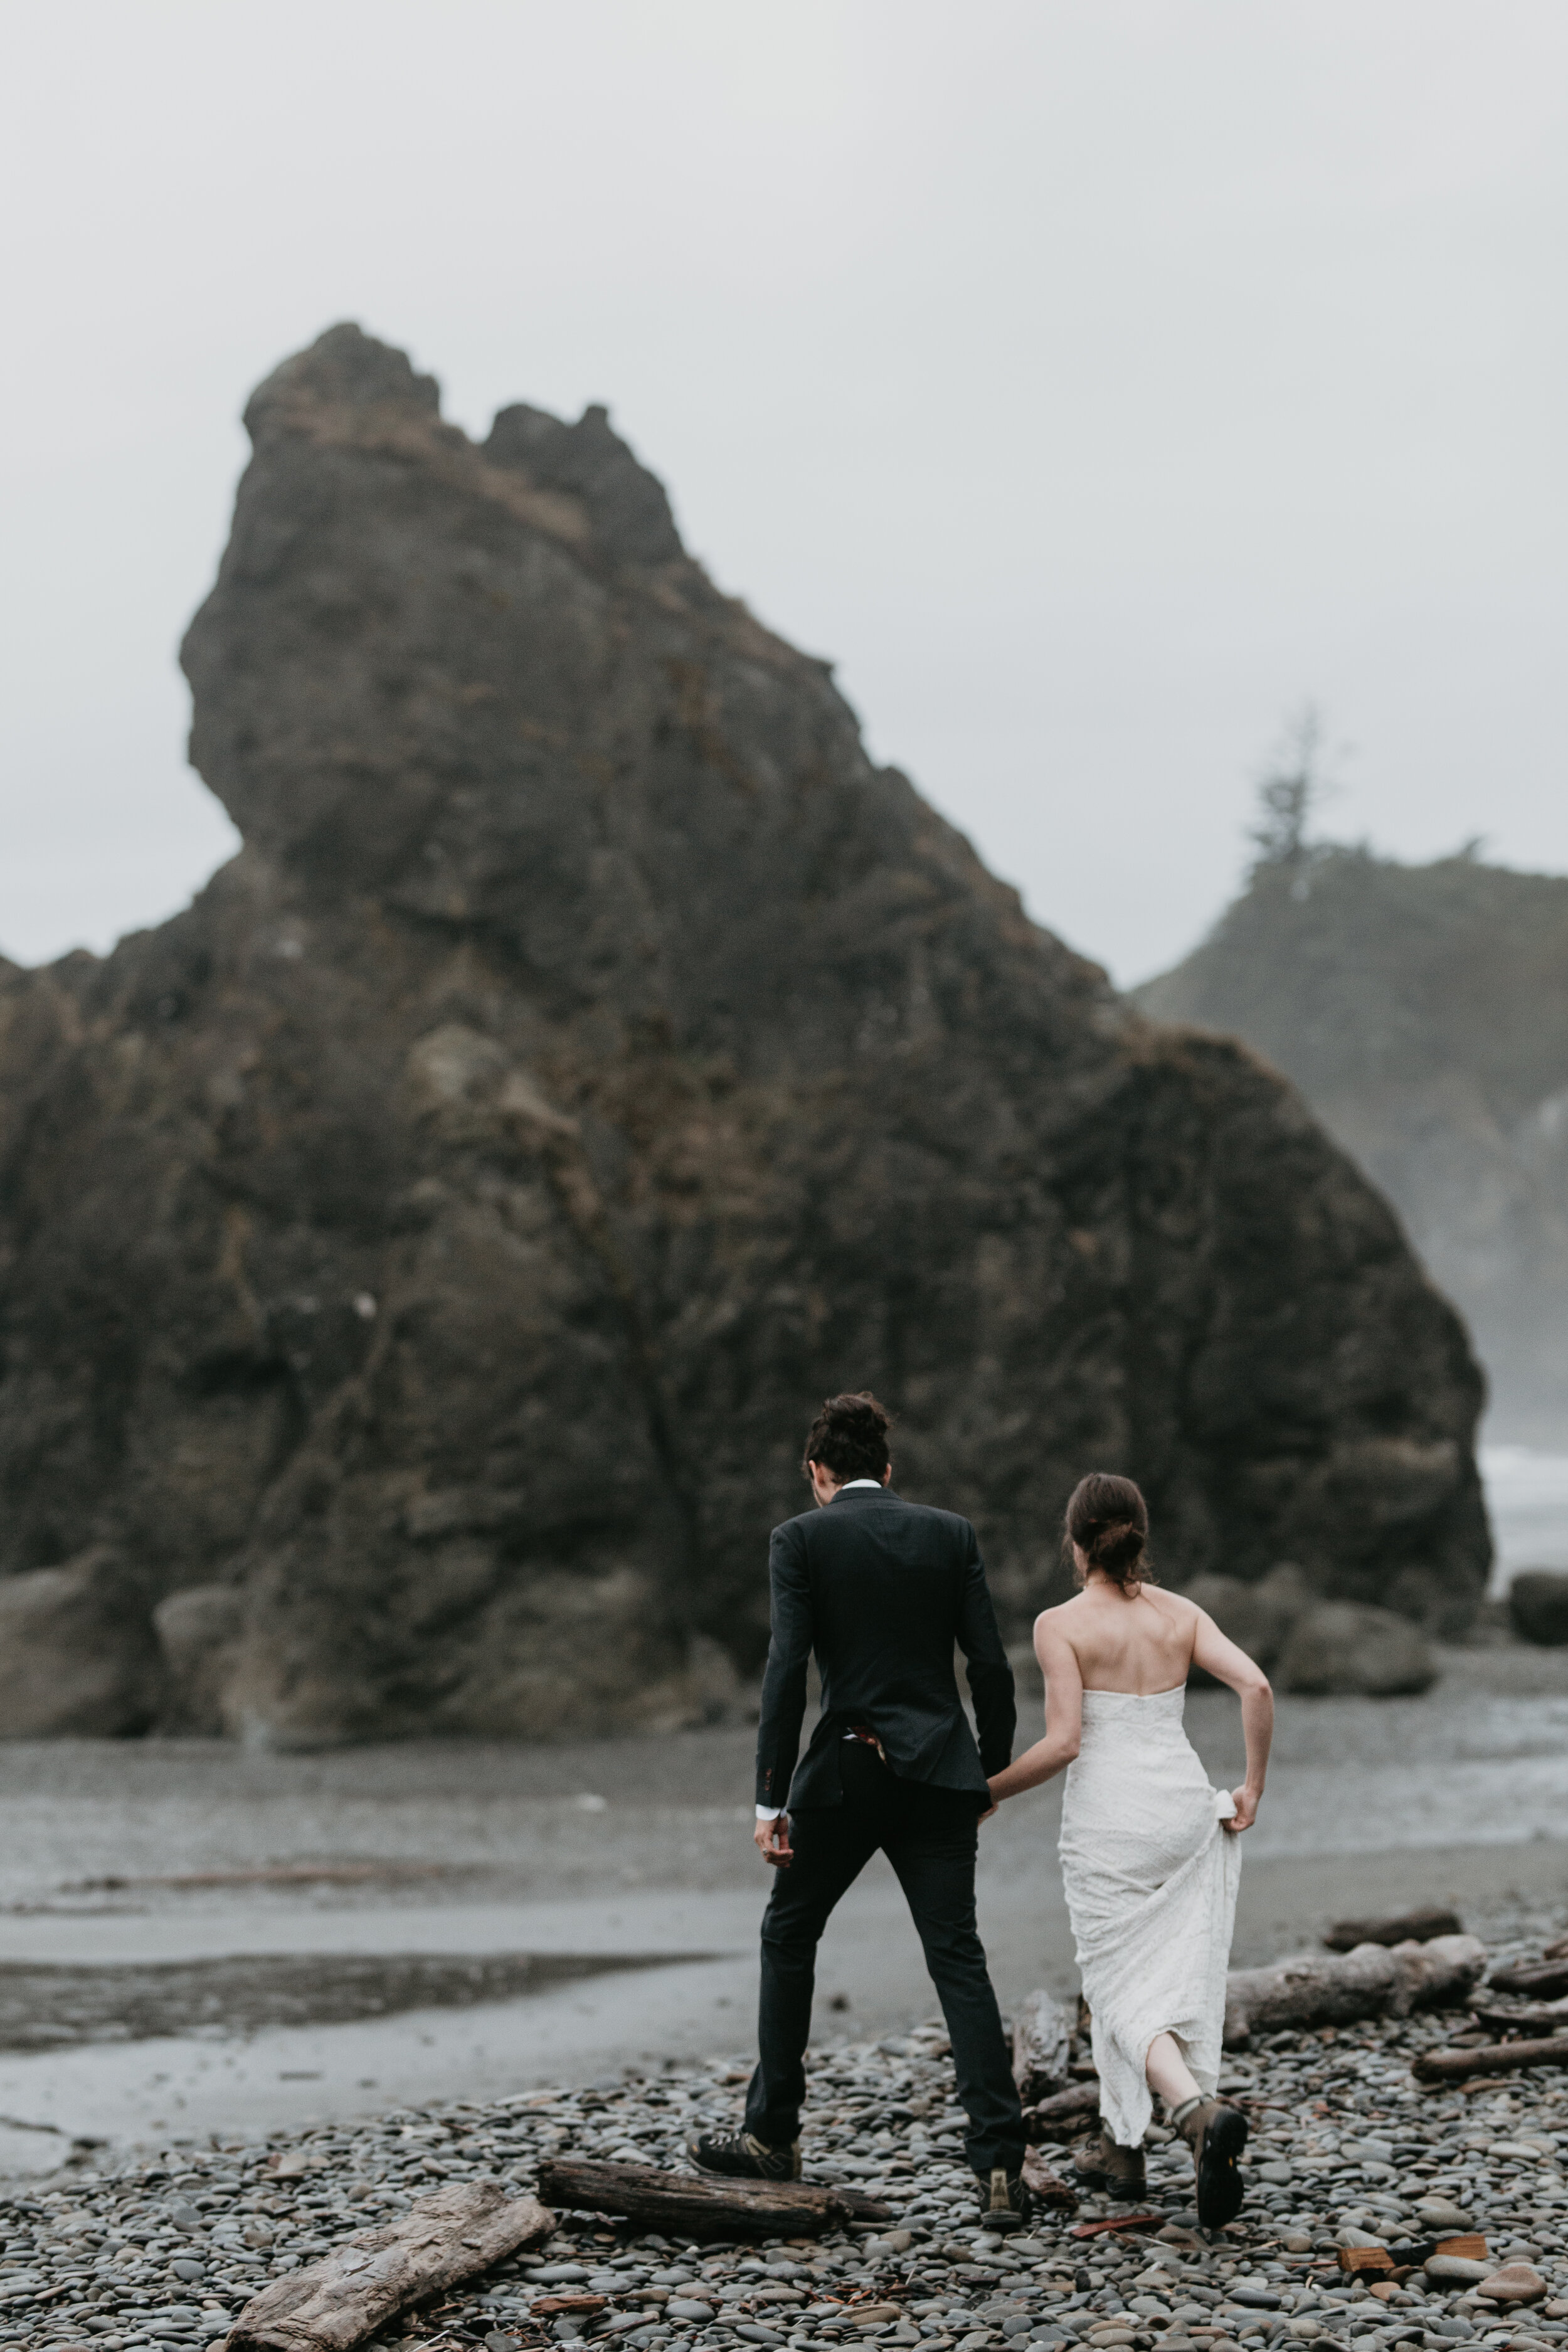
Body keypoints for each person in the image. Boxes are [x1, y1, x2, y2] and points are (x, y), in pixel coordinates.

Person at [691, 1390, 1037, 2227]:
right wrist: (983, 1771)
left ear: (818, 1471)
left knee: (789, 1929)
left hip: (845, 1774)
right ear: (889, 1467)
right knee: (958, 1956)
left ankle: (773, 2135)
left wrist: (770, 1795)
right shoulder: (949, 1533)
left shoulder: (800, 1539)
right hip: (941, 1775)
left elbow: (786, 1671)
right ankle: (998, 2166)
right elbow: (990, 1665)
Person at [984, 1472, 1273, 2230]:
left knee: (1117, 1991)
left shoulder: (1060, 1625)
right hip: (1182, 1810)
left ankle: (1193, 2113)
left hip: (1110, 1825)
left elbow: (1064, 1743)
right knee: (1155, 1978)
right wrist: (1250, 1787)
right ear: (1138, 1535)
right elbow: (1256, 1688)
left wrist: (987, 1793)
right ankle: (1122, 2149)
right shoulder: (1179, 1615)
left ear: (1076, 1544)